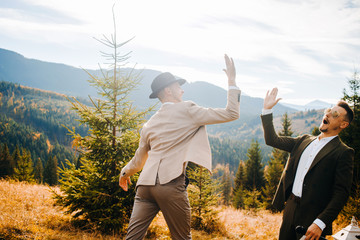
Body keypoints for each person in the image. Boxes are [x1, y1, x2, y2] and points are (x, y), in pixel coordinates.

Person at [119, 54, 241, 240]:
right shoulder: (188, 110)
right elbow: (231, 113)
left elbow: (138, 161)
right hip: (170, 184)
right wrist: (232, 82)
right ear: (168, 91)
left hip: (144, 187)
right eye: (178, 86)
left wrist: (124, 174)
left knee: (132, 238)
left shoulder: (149, 124)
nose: (182, 90)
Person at [261, 87, 354, 240]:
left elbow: (341, 194)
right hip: (290, 208)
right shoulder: (303, 140)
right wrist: (266, 110)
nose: (328, 114)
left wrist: (321, 222)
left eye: (335, 114)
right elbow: (272, 139)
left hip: (313, 218)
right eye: (329, 110)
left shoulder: (343, 152)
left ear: (343, 124)